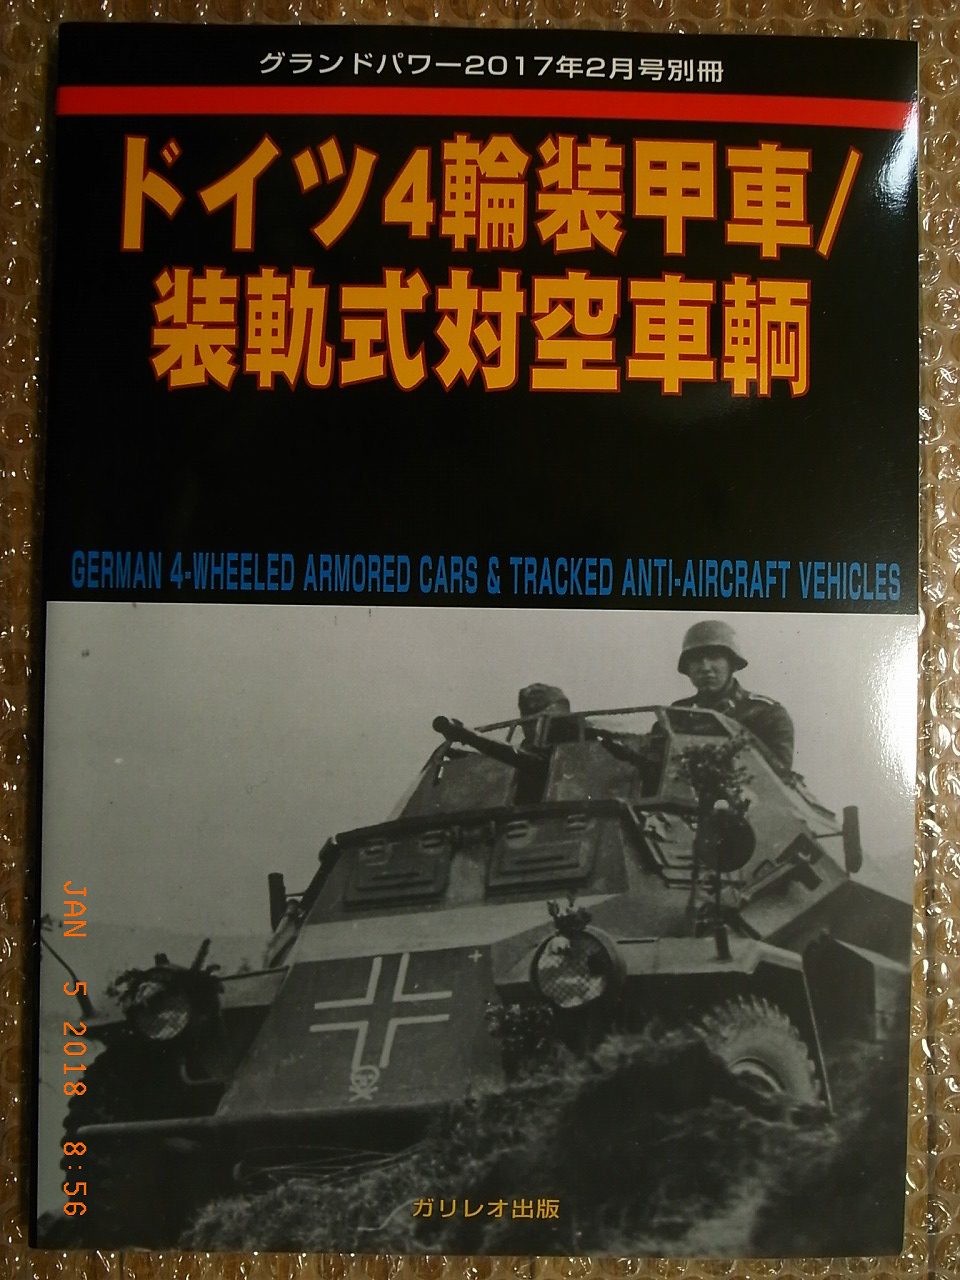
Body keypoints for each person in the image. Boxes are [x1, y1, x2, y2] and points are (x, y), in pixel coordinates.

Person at [672, 620, 795, 770]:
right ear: (687, 668)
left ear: (732, 663)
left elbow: (779, 776)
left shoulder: (766, 713)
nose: (705, 667)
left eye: (714, 657)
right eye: (696, 659)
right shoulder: (676, 713)